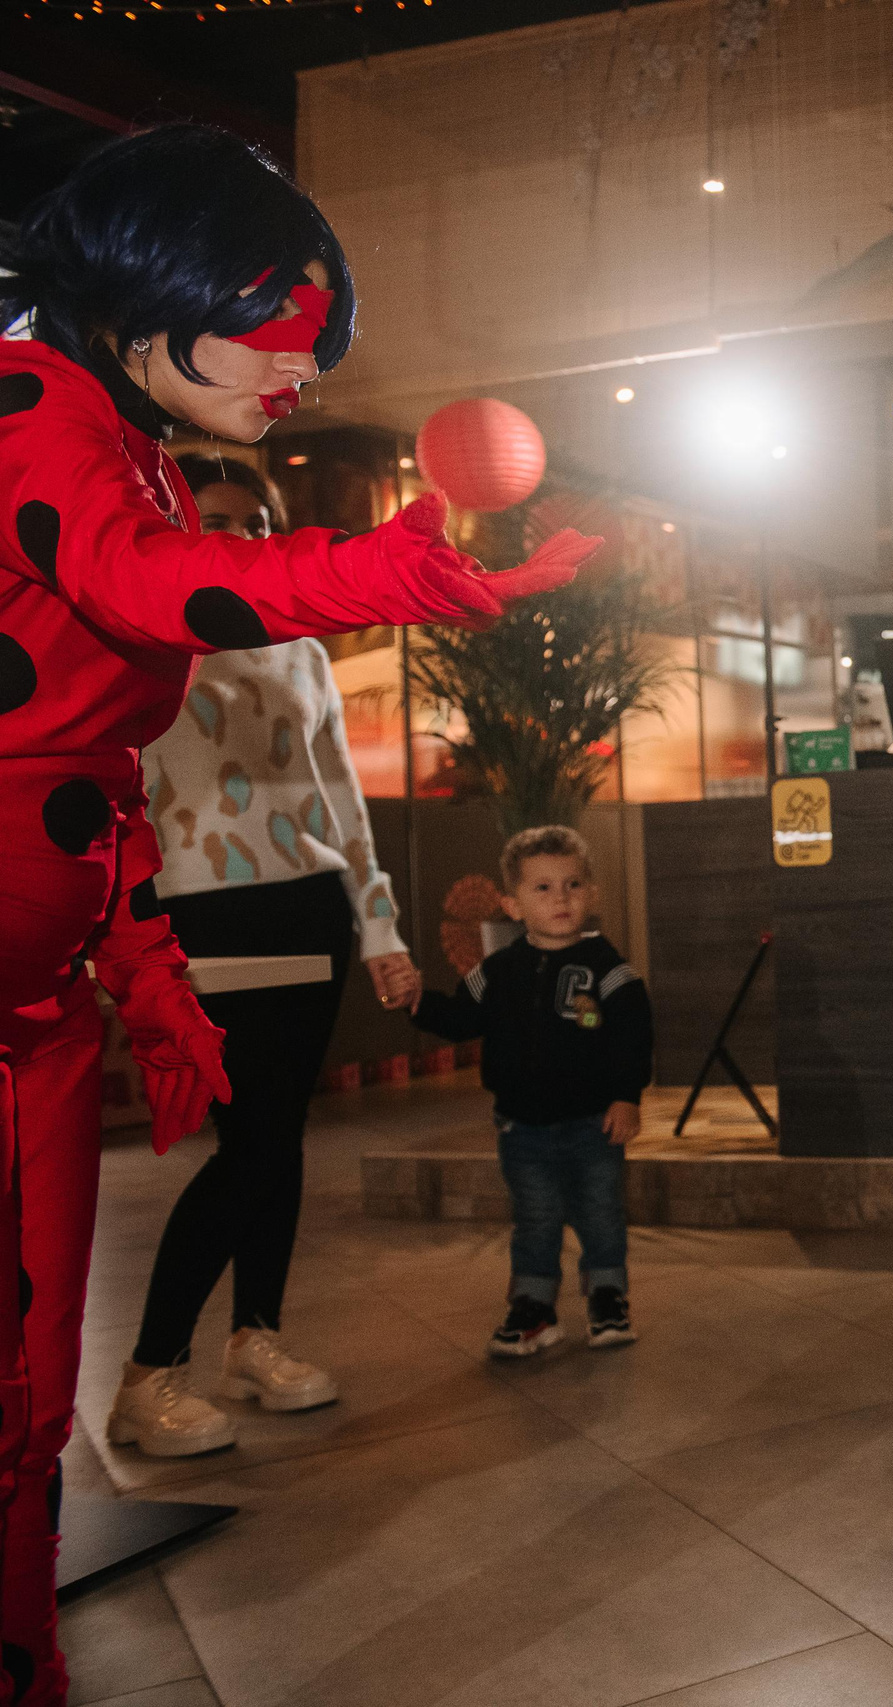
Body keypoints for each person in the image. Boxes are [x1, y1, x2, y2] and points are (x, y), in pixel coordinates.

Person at [0, 123, 589, 1703]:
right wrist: (376, 568)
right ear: (154, 296)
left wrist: (138, 977)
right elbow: (142, 587)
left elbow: (81, 773)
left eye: (305, 339)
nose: (297, 372)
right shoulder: (33, 407)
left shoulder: (110, 428)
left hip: (42, 1001)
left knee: (33, 1385)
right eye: (269, 327)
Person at [107, 457, 422, 1458]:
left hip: (307, 907)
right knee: (248, 1143)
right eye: (216, 520)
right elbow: (114, 800)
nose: (240, 538)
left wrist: (379, 927)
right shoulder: (136, 638)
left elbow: (343, 799)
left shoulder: (301, 646)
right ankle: (148, 1377)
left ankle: (256, 1337)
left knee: (278, 1134)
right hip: (202, 914)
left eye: (255, 522)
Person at [404, 826, 652, 1358]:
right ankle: (534, 1309)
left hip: (593, 1125)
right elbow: (457, 1018)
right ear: (512, 905)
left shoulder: (610, 972)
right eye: (542, 889)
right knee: (535, 1217)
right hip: (522, 1128)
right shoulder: (497, 972)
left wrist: (626, 1096)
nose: (560, 898)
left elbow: (633, 1040)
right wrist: (414, 1000)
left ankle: (608, 1298)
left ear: (592, 894)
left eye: (572, 884)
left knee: (601, 1212)